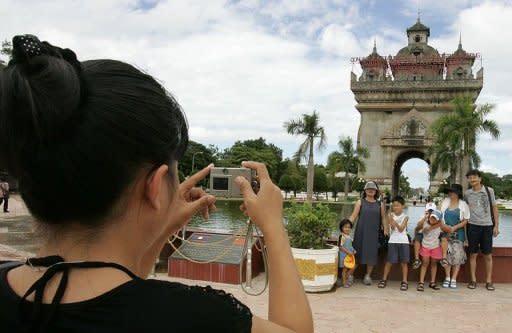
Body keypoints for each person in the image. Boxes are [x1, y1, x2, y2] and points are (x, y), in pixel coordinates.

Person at [0, 35, 313, 333]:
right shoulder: (193, 317)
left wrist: (163, 223)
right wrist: (273, 225)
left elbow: (116, 289)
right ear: (155, 185)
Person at [465, 169, 500, 291]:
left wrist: (496, 226)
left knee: (488, 255)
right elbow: (465, 211)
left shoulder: (489, 191)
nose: (472, 179)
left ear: (480, 178)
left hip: (487, 226)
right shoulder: (467, 194)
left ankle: (489, 281)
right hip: (473, 226)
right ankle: (473, 280)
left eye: (474, 177)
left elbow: (495, 208)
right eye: (470, 177)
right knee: (473, 254)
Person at [349, 181, 387, 286]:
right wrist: (346, 225)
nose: (371, 190)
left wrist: (386, 229)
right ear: (365, 191)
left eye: (373, 189)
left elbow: (383, 218)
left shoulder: (380, 204)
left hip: (374, 234)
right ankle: (350, 275)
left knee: (371, 255)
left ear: (376, 191)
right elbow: (353, 216)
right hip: (361, 232)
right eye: (368, 189)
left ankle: (367, 276)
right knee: (357, 254)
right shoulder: (360, 202)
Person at [440, 184, 470, 289]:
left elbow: (466, 220)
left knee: (457, 256)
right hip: (445, 232)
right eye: (449, 192)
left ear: (458, 194)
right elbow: (440, 216)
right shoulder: (445, 202)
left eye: (452, 192)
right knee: (447, 255)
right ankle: (447, 277)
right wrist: (446, 228)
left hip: (458, 233)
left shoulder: (463, 204)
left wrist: (454, 228)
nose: (450, 194)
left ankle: (454, 278)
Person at [378, 196, 409, 291]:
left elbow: (401, 229)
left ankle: (404, 281)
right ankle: (384, 279)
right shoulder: (390, 215)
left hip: (404, 241)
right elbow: (391, 228)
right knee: (389, 262)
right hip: (392, 241)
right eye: (394, 206)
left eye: (398, 205)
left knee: (404, 263)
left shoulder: (405, 217)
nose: (395, 207)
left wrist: (393, 220)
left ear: (402, 206)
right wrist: (390, 220)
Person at [416, 210, 452, 292]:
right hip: (426, 246)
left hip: (435, 246)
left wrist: (442, 224)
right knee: (425, 264)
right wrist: (436, 225)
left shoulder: (440, 225)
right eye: (432, 217)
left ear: (438, 219)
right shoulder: (425, 222)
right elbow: (425, 230)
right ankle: (421, 282)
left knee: (434, 264)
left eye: (435, 218)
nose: (433, 219)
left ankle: (432, 282)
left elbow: (450, 230)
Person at [412, 202, 436, 269]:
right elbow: (417, 227)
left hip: (433, 235)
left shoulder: (438, 216)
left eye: (432, 211)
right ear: (426, 210)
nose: (430, 212)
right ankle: (417, 259)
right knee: (417, 238)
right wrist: (425, 218)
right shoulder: (423, 216)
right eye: (429, 210)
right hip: (424, 234)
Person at [337, 219, 355, 288]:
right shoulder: (342, 236)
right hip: (344, 255)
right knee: (344, 269)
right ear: (341, 228)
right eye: (345, 227)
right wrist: (348, 252)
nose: (347, 229)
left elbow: (350, 246)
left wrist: (353, 250)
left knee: (350, 267)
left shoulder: (349, 236)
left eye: (349, 227)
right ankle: (344, 282)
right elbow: (340, 247)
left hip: (349, 255)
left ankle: (345, 280)